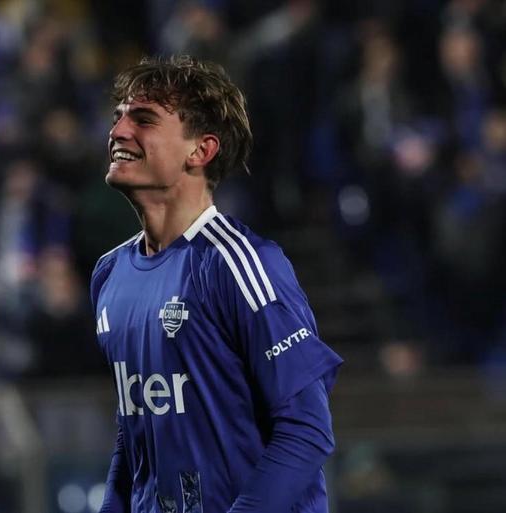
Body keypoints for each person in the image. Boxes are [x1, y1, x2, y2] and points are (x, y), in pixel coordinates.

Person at [90, 55, 343, 513]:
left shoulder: (238, 263)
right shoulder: (110, 274)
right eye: (118, 117)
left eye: (143, 119)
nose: (119, 131)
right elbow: (135, 434)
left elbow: (306, 428)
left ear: (200, 151)